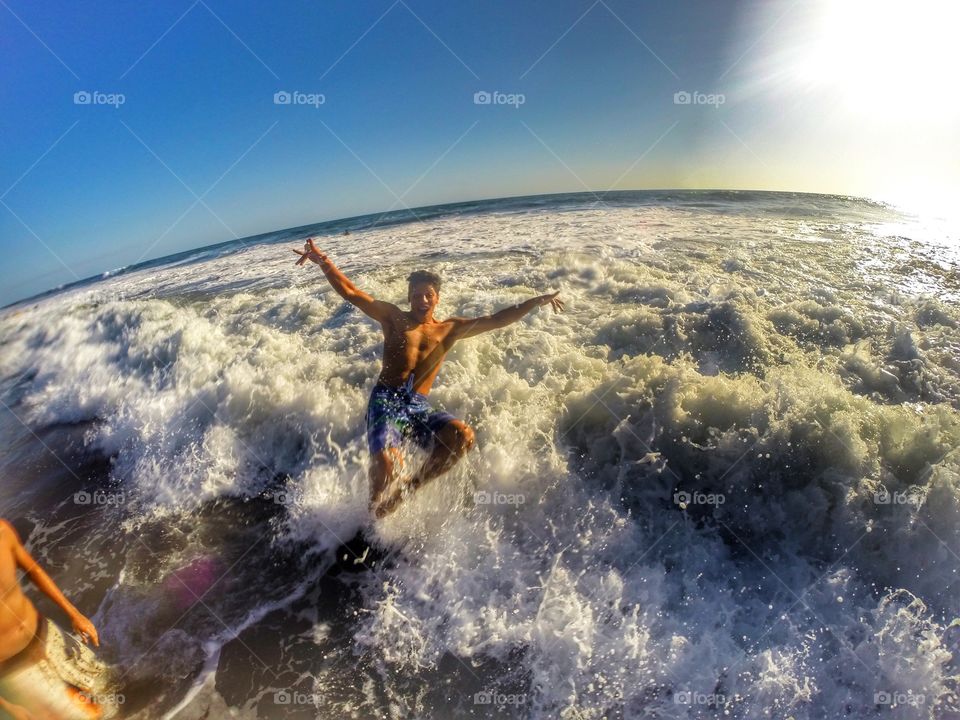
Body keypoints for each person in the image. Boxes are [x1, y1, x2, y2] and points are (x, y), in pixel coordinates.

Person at [292, 237, 564, 517]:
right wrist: (323, 261)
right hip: (386, 400)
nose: (421, 300)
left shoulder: (450, 329)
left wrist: (535, 302)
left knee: (462, 437)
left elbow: (497, 319)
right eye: (415, 295)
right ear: (408, 297)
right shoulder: (393, 318)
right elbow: (351, 292)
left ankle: (408, 489)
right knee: (388, 465)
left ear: (437, 298)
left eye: (428, 295)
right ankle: (372, 514)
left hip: (418, 406)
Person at [0, 519, 110, 720]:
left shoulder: (2, 531)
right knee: (83, 717)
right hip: (17, 668)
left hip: (46, 635)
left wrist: (74, 614)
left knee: (106, 687)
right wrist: (7, 706)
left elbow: (34, 571)